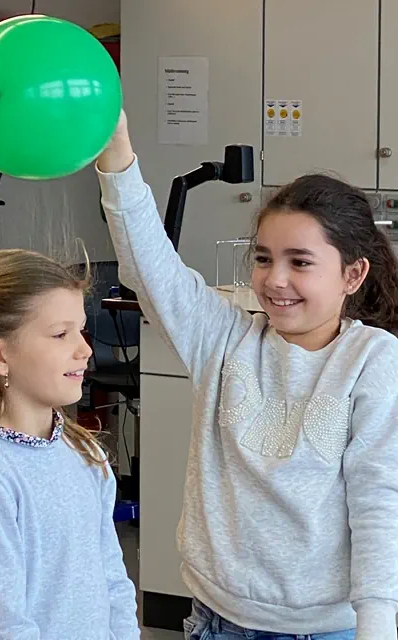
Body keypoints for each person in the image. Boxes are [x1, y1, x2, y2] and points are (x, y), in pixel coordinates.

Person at [95, 111, 398, 640]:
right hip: (216, 619)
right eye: (263, 258)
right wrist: (114, 154)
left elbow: (380, 505)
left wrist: (377, 627)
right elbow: (149, 267)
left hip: (322, 630)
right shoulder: (226, 340)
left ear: (353, 274)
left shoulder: (372, 360)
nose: (275, 280)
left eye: (300, 262)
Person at [0, 249, 140, 640]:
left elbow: (112, 578)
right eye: (61, 334)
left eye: (81, 329)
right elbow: (2, 622)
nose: (85, 349)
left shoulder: (87, 455)